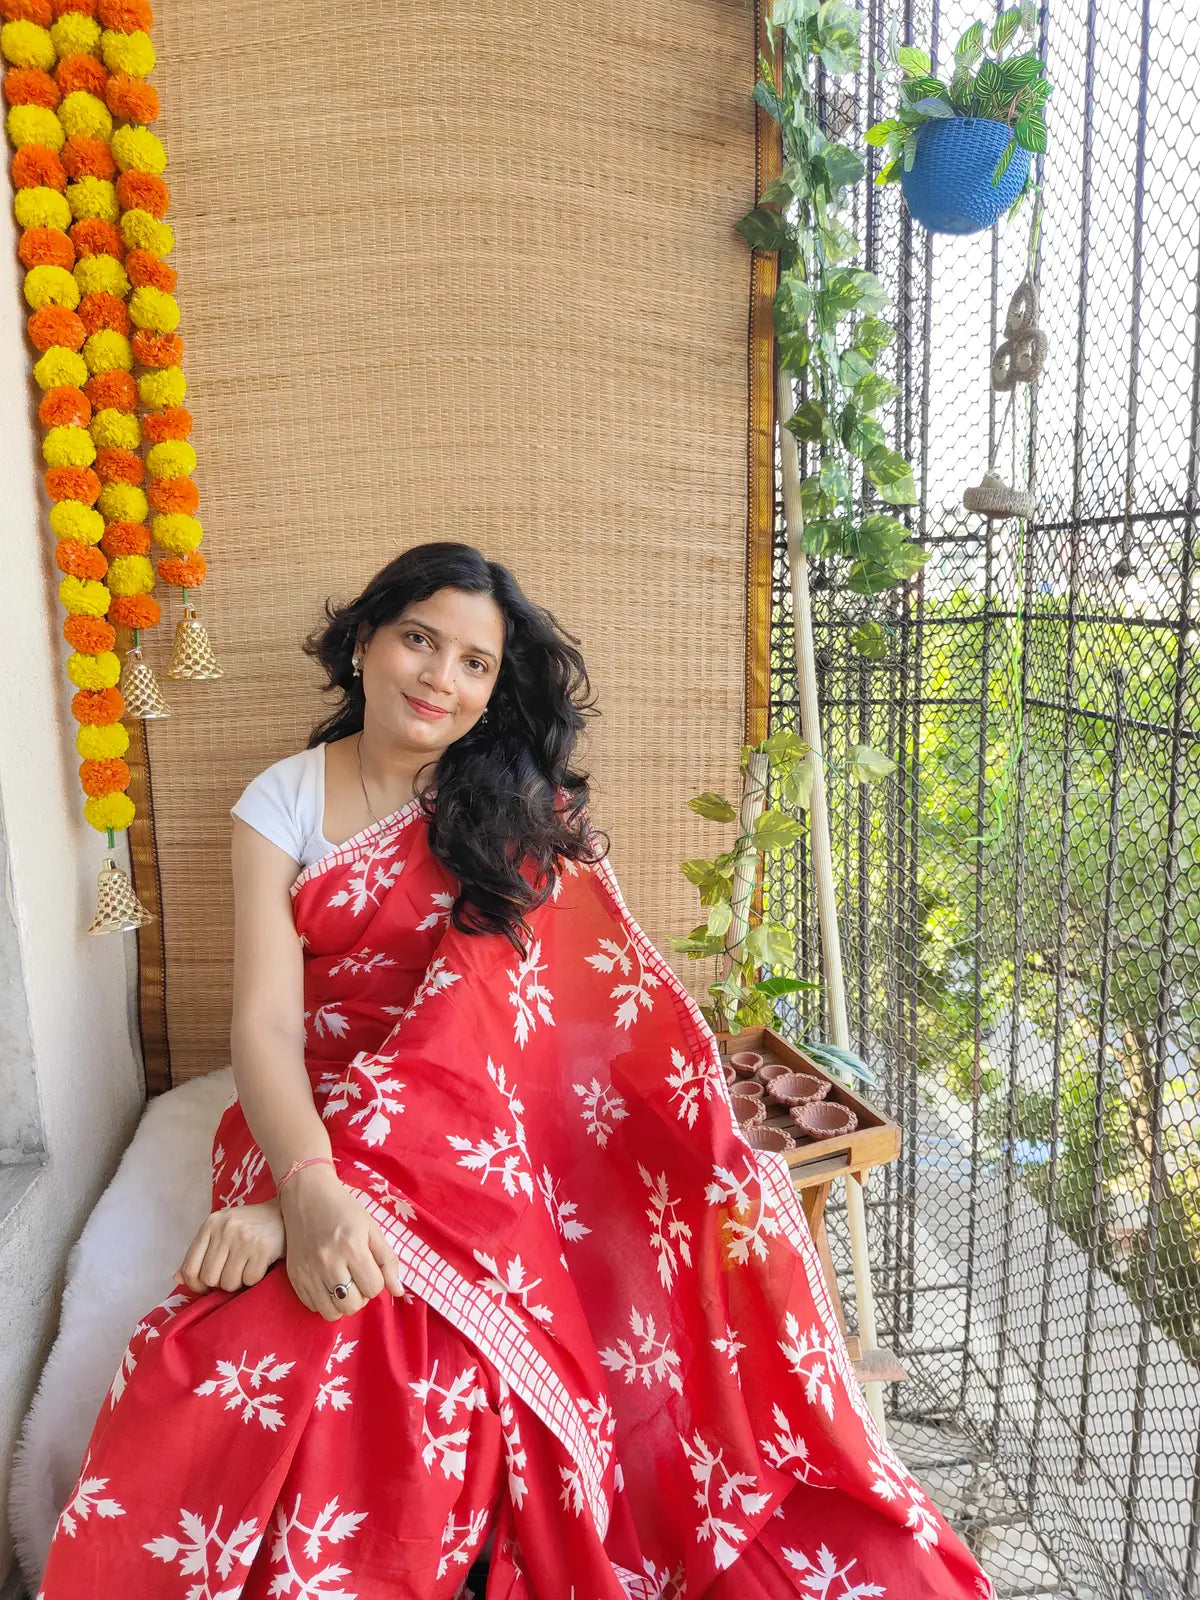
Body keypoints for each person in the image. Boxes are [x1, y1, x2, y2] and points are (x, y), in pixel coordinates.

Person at [37, 541, 995, 1599]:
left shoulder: (516, 819)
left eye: (474, 663)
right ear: (364, 641)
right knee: (230, 1357)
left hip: (476, 1123)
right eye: (417, 639)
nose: (439, 678)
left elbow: (511, 1026)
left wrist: (316, 1204)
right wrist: (303, 1187)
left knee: (434, 1369)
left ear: (495, 690)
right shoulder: (281, 802)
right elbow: (264, 1027)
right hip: (314, 1111)